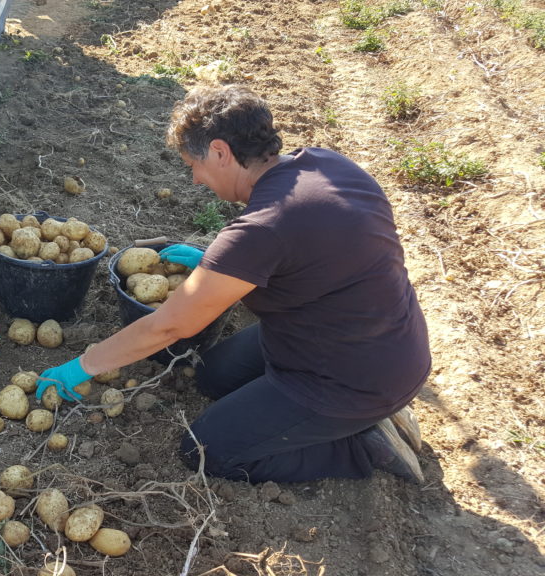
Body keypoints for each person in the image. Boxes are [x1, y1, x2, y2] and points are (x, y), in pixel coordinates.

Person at [38, 85, 430, 484]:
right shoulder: (326, 164)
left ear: (221, 152)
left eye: (194, 164)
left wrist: (82, 366)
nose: (194, 179)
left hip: (353, 379)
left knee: (206, 451)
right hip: (373, 339)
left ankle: (358, 446)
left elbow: (169, 326)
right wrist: (217, 262)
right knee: (211, 376)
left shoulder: (261, 231)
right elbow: (311, 252)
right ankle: (344, 418)